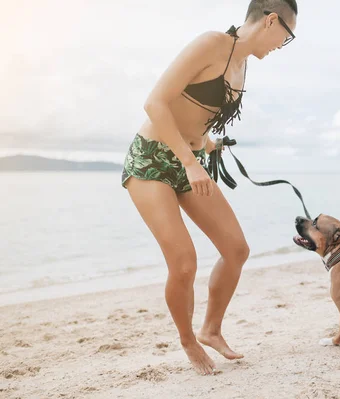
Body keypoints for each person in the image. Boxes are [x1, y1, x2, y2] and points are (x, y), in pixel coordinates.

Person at [120, 0, 298, 376]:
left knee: (236, 249)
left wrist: (206, 145)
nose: (282, 45)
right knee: (184, 264)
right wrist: (188, 161)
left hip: (192, 160)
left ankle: (211, 329)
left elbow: (194, 117)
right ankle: (187, 339)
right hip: (151, 159)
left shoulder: (242, 63)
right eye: (286, 35)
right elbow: (155, 103)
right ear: (271, 21)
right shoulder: (212, 44)